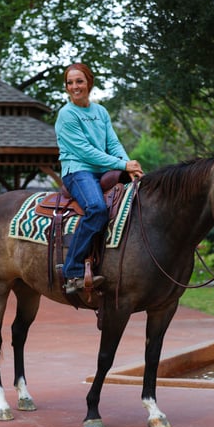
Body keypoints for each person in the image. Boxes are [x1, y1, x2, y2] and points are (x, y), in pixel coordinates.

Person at [55, 62, 143, 295]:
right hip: (78, 170)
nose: (75, 86)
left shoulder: (100, 112)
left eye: (79, 81)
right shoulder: (67, 114)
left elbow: (112, 143)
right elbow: (85, 151)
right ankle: (72, 270)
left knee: (139, 198)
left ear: (89, 83)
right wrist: (122, 164)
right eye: (70, 83)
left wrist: (130, 166)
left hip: (104, 169)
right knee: (96, 208)